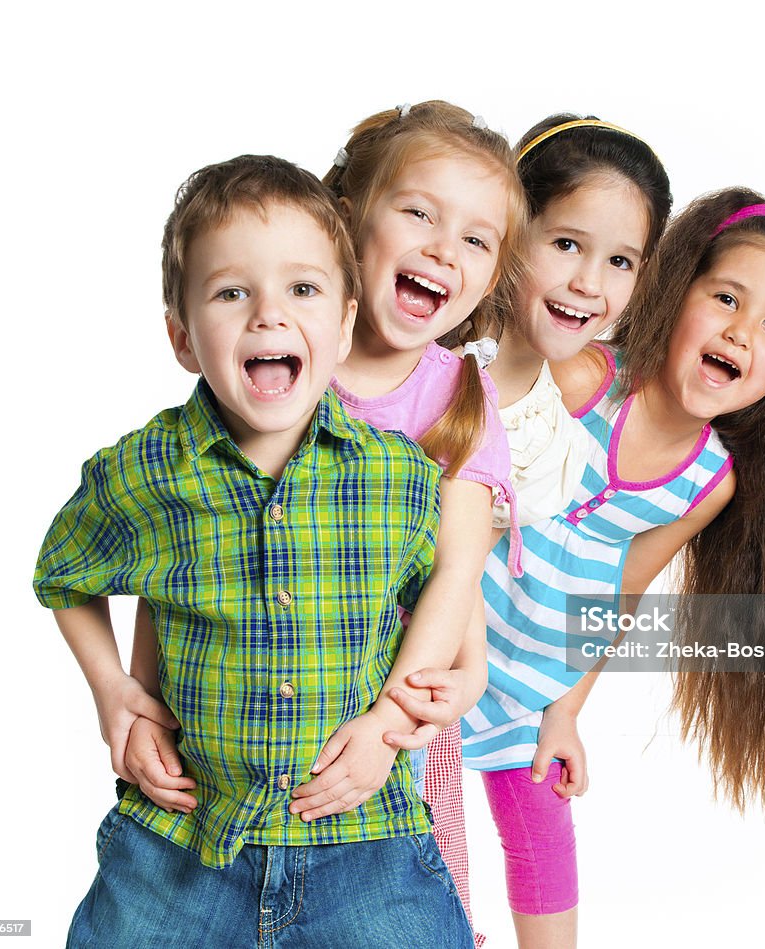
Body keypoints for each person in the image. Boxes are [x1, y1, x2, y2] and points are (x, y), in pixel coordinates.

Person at [33, 154, 474, 947]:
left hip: (362, 839)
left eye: (302, 289)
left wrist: (387, 724)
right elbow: (61, 574)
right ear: (181, 335)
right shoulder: (143, 470)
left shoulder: (399, 476)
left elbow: (446, 600)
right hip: (184, 842)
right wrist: (111, 691)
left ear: (342, 325)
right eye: (232, 292)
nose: (269, 315)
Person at [124, 101, 529, 942]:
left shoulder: (458, 395)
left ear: (492, 279)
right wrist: (141, 703)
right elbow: (184, 545)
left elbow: (457, 570)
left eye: (477, 239)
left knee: (380, 899)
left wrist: (403, 713)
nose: (442, 248)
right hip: (234, 715)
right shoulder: (278, 354)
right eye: (418, 212)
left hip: (384, 711)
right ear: (345, 221)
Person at [464, 175, 765, 948]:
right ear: (679, 290)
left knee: (545, 845)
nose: (739, 332)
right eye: (726, 298)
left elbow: (622, 594)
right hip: (440, 650)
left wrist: (563, 715)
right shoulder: (585, 378)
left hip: (529, 691)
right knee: (413, 843)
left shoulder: (708, 481)